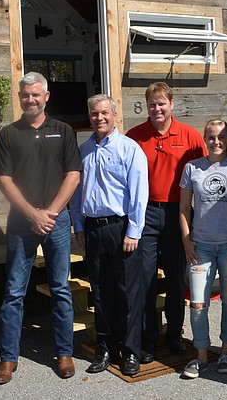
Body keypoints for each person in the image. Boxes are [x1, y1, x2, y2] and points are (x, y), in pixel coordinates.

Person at [0, 72, 83, 385]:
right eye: (25, 95)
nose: (30, 99)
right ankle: (7, 358)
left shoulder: (64, 131)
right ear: (20, 98)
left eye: (35, 95)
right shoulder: (9, 134)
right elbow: (4, 180)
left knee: (60, 289)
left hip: (56, 223)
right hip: (20, 223)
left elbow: (73, 175)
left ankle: (64, 352)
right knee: (15, 292)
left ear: (46, 96)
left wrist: (51, 213)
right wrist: (32, 214)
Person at [126, 82, 206, 361]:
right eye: (152, 104)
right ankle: (149, 339)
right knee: (145, 279)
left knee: (175, 278)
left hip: (178, 214)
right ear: (145, 106)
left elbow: (204, 177)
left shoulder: (190, 136)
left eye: (162, 104)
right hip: (145, 214)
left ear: (172, 105)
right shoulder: (134, 137)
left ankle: (174, 335)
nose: (157, 109)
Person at [70, 94, 148, 377]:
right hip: (92, 229)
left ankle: (130, 351)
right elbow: (76, 192)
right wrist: (78, 225)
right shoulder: (83, 150)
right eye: (94, 113)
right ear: (89, 116)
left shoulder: (129, 149)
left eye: (104, 113)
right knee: (100, 292)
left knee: (128, 293)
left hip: (121, 227)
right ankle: (105, 348)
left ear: (114, 115)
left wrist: (134, 230)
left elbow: (140, 193)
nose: (99, 118)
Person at [178, 119, 227, 379]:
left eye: (221, 137)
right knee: (198, 303)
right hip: (201, 246)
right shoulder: (192, 168)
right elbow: (184, 208)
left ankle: (225, 352)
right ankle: (200, 355)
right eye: (211, 137)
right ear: (204, 139)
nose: (216, 142)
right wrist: (187, 240)